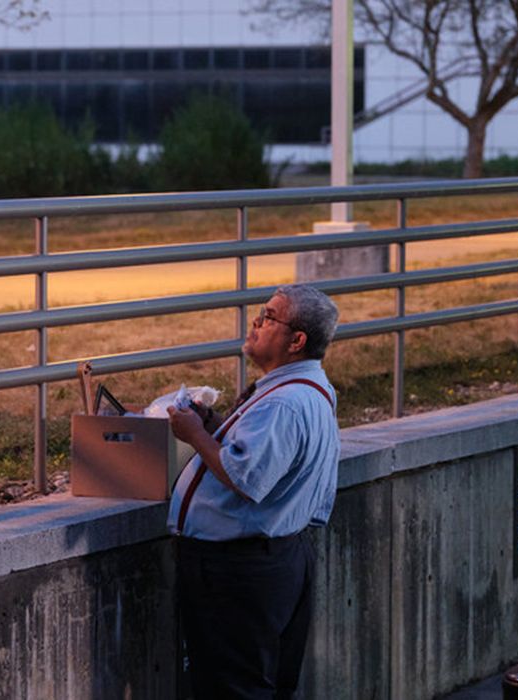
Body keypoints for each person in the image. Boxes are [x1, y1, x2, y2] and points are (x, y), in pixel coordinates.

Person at [166, 284, 341, 699]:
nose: (256, 322)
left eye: (269, 316)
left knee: (234, 688)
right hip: (276, 558)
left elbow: (245, 477)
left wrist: (194, 435)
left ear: (297, 341)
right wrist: (214, 426)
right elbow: (262, 458)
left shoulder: (283, 403)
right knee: (261, 683)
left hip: (240, 570)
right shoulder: (307, 390)